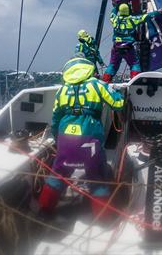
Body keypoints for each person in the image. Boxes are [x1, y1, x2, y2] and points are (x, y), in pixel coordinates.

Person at [38, 57, 125, 218]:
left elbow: (55, 119)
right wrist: (119, 94)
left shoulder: (62, 90)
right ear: (88, 69)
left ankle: (44, 209)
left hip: (65, 138)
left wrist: (59, 141)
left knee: (58, 172)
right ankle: (103, 218)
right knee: (96, 175)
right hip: (89, 137)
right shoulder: (97, 85)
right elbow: (118, 104)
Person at [102, 4, 160, 83]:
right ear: (128, 10)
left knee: (112, 65)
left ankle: (105, 81)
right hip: (128, 47)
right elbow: (146, 17)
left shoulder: (115, 19)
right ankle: (134, 82)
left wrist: (117, 5)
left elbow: (112, 13)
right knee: (134, 64)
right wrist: (158, 12)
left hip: (116, 47)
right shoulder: (132, 19)